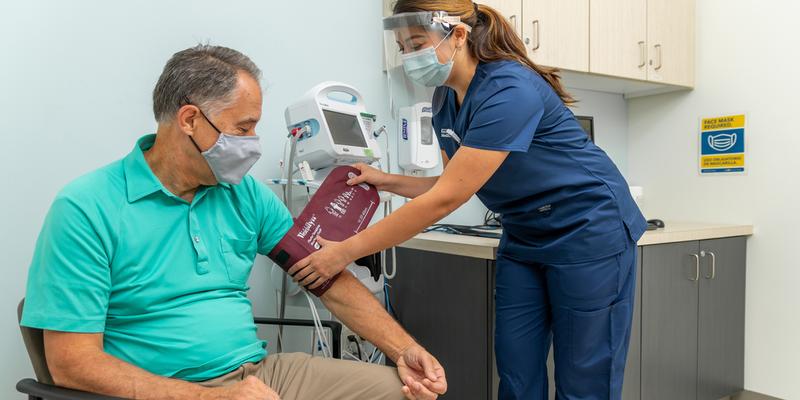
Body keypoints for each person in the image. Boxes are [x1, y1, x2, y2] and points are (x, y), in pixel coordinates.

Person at [21, 44, 447, 400]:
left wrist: (403, 348)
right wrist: (210, 398)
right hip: (164, 390)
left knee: (403, 392)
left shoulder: (243, 194)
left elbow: (326, 278)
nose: (251, 145)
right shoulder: (86, 208)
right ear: (189, 120)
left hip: (258, 377)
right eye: (242, 129)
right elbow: (71, 364)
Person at [288, 2, 647, 399]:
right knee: (516, 368)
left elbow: (446, 200)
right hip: (525, 234)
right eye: (403, 47)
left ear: (457, 35)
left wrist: (344, 252)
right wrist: (383, 180)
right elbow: (449, 183)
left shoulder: (510, 89)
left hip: (589, 228)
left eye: (417, 44)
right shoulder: (444, 99)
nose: (410, 56)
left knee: (585, 375)